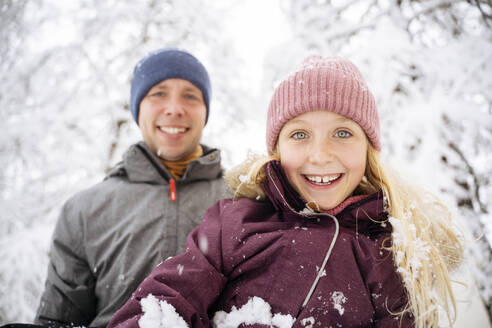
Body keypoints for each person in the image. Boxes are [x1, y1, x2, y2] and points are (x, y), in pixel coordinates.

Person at [107, 55, 464, 328]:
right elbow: (166, 303)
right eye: (299, 134)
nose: (320, 155)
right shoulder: (233, 224)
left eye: (342, 133)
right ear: (276, 150)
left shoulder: (388, 249)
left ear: (368, 149)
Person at [35, 48, 230, 328]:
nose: (174, 108)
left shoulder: (242, 201)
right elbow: (56, 320)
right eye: (158, 93)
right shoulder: (84, 210)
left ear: (205, 111)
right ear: (137, 108)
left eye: (190, 95)